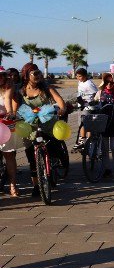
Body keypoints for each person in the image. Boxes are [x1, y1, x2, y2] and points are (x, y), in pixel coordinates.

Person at [19, 63, 68, 197]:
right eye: (35, 73)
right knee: (31, 157)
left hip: (47, 122)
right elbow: (14, 105)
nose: (39, 75)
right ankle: (36, 185)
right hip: (30, 125)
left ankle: (56, 160)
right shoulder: (21, 91)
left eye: (39, 72)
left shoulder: (47, 88)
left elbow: (59, 99)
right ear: (27, 75)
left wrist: (62, 109)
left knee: (54, 146)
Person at [94, 72, 114, 179]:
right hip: (104, 123)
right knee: (105, 148)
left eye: (111, 82)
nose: (109, 84)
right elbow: (94, 104)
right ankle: (107, 169)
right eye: (107, 82)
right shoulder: (99, 93)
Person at [0, 67, 20, 196]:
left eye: (2, 75)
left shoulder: (9, 86)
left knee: (9, 155)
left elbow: (7, 100)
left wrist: (10, 113)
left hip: (4, 122)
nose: (1, 78)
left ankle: (13, 184)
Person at [72, 68, 99, 151]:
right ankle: (83, 140)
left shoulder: (89, 84)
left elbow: (97, 94)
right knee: (81, 124)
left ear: (85, 76)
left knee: (86, 124)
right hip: (82, 106)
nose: (78, 78)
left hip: (89, 107)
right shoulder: (80, 82)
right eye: (77, 76)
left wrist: (93, 102)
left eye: (80, 76)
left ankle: (88, 141)